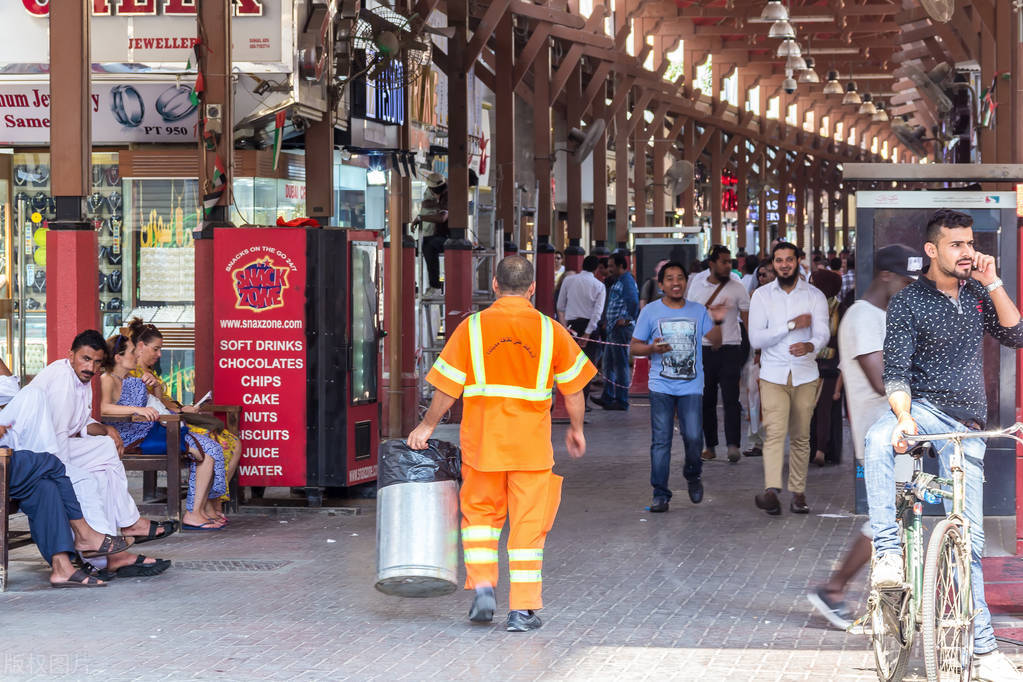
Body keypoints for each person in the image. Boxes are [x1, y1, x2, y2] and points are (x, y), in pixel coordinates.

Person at [864, 210, 1023, 680]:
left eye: (970, 243)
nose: (968, 252)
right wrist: (905, 418)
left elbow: (1016, 334)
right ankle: (889, 553)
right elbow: (895, 371)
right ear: (932, 250)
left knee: (970, 544)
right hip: (926, 411)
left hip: (968, 425)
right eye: (957, 244)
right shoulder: (910, 302)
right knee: (878, 438)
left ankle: (985, 650)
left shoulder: (976, 294)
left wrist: (993, 281)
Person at [407, 255, 596, 632]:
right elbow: (574, 389)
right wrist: (577, 428)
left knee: (479, 521)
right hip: (531, 449)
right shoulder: (551, 330)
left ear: (494, 285)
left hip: (483, 445)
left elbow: (446, 388)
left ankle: (483, 588)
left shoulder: (471, 328)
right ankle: (522, 611)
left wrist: (426, 427)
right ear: (532, 289)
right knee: (528, 527)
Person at [807, 244, 919, 629]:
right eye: (906, 281)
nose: (910, 289)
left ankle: (882, 598)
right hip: (882, 439)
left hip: (898, 437)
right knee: (885, 522)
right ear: (886, 276)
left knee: (897, 519)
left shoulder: (882, 315)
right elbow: (882, 380)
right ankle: (834, 589)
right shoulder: (862, 316)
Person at [25, 330, 174, 576]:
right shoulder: (62, 381)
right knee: (88, 479)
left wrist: (106, 428)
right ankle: (113, 551)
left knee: (104, 448)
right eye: (85, 359)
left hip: (52, 445)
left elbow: (81, 422)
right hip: (36, 454)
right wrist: (67, 474)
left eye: (95, 362)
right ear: (70, 355)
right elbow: (57, 439)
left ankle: (124, 531)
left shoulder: (80, 380)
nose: (90, 367)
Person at [101, 333, 228, 531]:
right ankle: (195, 512)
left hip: (149, 431)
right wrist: (137, 410)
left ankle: (197, 511)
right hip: (131, 439)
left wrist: (157, 388)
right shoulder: (107, 379)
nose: (137, 355)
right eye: (133, 352)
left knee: (210, 450)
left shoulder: (132, 380)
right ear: (118, 357)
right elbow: (102, 408)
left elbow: (157, 405)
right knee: (205, 452)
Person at [631, 262, 726, 512]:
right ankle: (660, 493)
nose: (676, 282)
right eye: (670, 278)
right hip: (660, 385)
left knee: (694, 438)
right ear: (661, 285)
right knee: (661, 441)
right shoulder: (650, 312)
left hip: (691, 387)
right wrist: (652, 349)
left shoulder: (698, 311)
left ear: (686, 282)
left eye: (680, 278)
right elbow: (634, 347)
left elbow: (716, 343)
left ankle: (693, 474)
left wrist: (718, 321)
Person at [128, 318, 240, 522]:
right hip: (154, 428)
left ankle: (212, 500)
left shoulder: (150, 373)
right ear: (141, 346)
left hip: (169, 420)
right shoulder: (132, 373)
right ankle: (204, 504)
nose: (159, 354)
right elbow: (149, 408)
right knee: (217, 441)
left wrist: (181, 408)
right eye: (156, 349)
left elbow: (163, 404)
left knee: (233, 442)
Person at [748, 242, 829, 515]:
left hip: (806, 374)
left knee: (800, 436)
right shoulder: (761, 296)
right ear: (773, 264)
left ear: (798, 261)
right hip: (772, 374)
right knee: (774, 432)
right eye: (779, 260)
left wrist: (811, 346)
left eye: (789, 260)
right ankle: (772, 490)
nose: (784, 265)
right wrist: (792, 326)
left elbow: (823, 332)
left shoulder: (814, 295)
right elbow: (756, 338)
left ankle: (798, 493)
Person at [687, 245, 750, 463]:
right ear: (712, 263)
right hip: (703, 349)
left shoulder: (737, 285)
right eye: (723, 261)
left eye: (729, 261)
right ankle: (710, 445)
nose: (728, 265)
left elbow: (746, 315)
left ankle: (733, 445)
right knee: (707, 399)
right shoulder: (697, 283)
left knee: (731, 398)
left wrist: (756, 348)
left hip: (731, 347)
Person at [808, 268, 845, 467]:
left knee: (824, 408)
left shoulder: (840, 309)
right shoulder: (810, 307)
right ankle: (811, 448)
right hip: (809, 363)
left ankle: (822, 449)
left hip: (831, 365)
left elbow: (841, 339)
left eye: (815, 283)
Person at [557, 255, 606, 405]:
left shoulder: (568, 280)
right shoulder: (599, 286)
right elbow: (597, 313)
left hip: (571, 326)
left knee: (569, 365)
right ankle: (581, 404)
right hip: (588, 328)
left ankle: (567, 401)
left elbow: (560, 306)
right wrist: (587, 334)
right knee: (586, 367)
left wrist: (565, 327)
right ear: (597, 268)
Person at [593, 253, 638, 411]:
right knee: (609, 363)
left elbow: (633, 301)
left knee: (620, 365)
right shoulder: (619, 281)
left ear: (621, 266)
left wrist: (627, 319)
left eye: (612, 266)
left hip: (621, 329)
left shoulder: (627, 280)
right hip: (614, 328)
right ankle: (608, 396)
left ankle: (621, 400)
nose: (609, 269)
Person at [743, 262, 776, 458]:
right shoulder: (756, 296)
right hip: (758, 354)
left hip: (776, 356)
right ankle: (757, 440)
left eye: (768, 273)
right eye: (761, 275)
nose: (764, 278)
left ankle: (768, 440)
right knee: (755, 398)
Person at [416, 172, 449, 296]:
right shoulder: (443, 196)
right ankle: (433, 284)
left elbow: (442, 218)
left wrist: (421, 218)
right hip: (443, 235)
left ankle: (435, 285)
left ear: (432, 189)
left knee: (429, 246)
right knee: (423, 244)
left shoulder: (447, 196)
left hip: (448, 237)